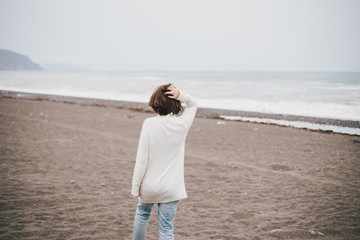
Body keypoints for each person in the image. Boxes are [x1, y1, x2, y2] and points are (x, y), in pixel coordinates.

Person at [131, 84, 198, 240]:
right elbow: (193, 103)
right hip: (172, 188)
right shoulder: (182, 124)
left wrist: (136, 187)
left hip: (149, 186)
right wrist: (180, 94)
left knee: (142, 215)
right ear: (175, 103)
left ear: (156, 103)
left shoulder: (149, 124)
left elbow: (142, 159)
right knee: (166, 228)